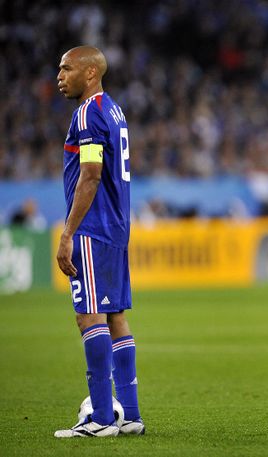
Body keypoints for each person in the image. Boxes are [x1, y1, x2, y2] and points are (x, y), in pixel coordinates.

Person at [54, 46, 144, 438]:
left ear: (90, 74)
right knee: (116, 317)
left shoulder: (89, 112)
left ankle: (102, 418)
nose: (59, 75)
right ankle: (131, 415)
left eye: (66, 68)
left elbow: (90, 174)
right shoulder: (114, 109)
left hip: (94, 227)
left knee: (88, 315)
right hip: (117, 227)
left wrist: (69, 232)